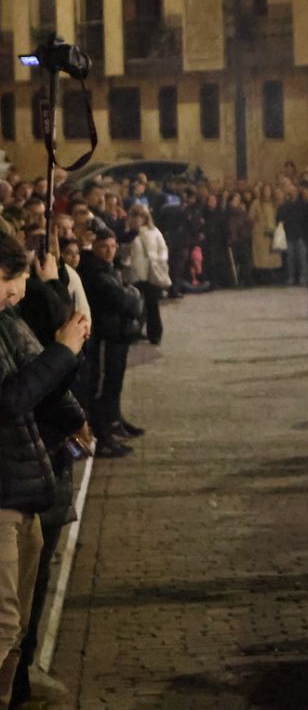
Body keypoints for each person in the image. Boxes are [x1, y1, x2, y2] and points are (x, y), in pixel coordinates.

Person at [0, 233, 88, 705]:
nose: (17, 292)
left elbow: (38, 374)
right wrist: (63, 349)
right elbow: (13, 397)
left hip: (21, 481)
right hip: (5, 485)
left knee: (15, 620)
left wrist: (72, 409)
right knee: (3, 621)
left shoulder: (6, 319)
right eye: (9, 281)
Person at [73, 230, 144, 457]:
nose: (110, 250)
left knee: (114, 382)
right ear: (94, 247)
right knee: (103, 386)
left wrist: (130, 295)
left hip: (118, 334)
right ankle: (103, 435)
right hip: (105, 335)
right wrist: (131, 296)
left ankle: (114, 422)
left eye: (113, 246)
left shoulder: (110, 268)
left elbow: (128, 294)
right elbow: (120, 298)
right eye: (104, 246)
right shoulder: (94, 272)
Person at [124, 205, 170, 347]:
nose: (138, 219)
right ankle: (134, 332)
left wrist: (159, 261)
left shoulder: (154, 232)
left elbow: (162, 248)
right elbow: (124, 251)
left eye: (141, 216)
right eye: (135, 215)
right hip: (135, 273)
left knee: (152, 305)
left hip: (151, 273)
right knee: (134, 305)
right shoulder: (129, 233)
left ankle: (155, 333)